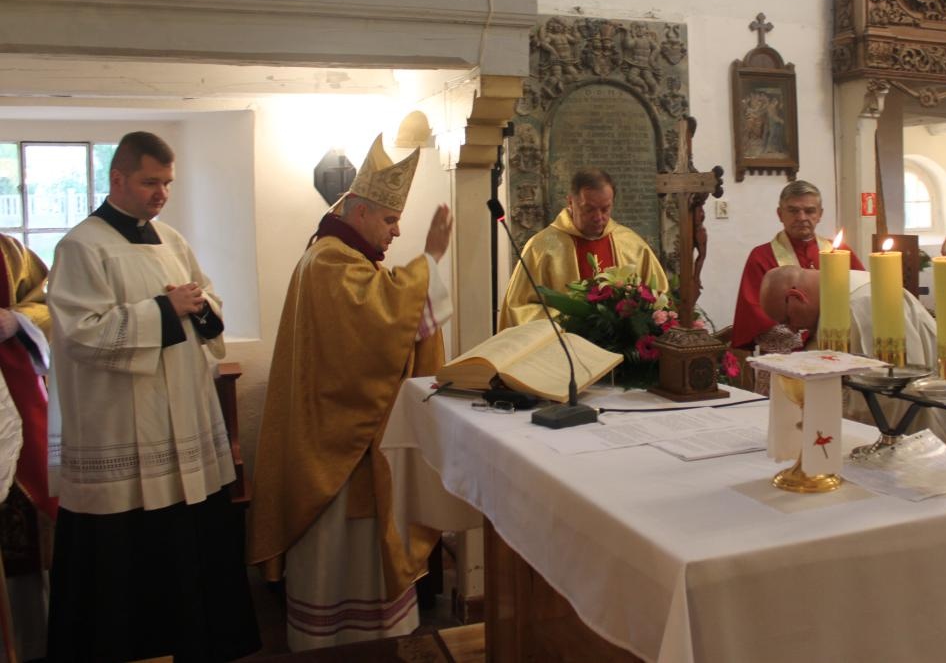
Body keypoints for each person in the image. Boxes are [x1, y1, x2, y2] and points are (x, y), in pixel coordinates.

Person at [46, 131, 259, 662]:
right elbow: (79, 333)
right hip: (121, 425)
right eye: (149, 182)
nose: (161, 193)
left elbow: (205, 296)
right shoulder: (81, 245)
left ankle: (200, 645)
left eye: (167, 183)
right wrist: (166, 310)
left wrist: (198, 306)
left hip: (183, 414)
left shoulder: (171, 240)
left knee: (191, 541)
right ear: (117, 178)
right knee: (128, 556)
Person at [248, 135, 454, 650]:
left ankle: (371, 645)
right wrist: (430, 258)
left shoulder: (344, 258)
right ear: (359, 211)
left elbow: (383, 318)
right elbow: (374, 331)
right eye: (390, 219)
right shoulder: (329, 262)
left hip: (349, 442)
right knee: (342, 568)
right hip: (335, 453)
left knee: (360, 565)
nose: (396, 231)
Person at [757, 266, 946, 465]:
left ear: (796, 296)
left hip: (932, 422)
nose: (793, 329)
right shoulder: (841, 292)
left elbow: (889, 390)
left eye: (787, 320)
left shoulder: (861, 305)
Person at [499, 168, 668, 329]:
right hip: (564, 346)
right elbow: (518, 309)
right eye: (589, 209)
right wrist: (572, 321)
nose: (598, 217)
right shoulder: (541, 248)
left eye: (605, 209)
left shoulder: (633, 246)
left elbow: (660, 300)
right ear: (570, 202)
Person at [0, 234, 54, 661]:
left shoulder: (9, 252)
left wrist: (17, 321)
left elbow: (50, 301)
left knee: (25, 518)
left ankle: (30, 643)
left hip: (14, 393)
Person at [731, 180, 864, 351]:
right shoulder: (761, 256)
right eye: (793, 211)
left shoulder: (840, 252)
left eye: (809, 211)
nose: (802, 218)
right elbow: (754, 313)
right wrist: (807, 339)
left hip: (842, 343)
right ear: (780, 214)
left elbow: (860, 295)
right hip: (790, 354)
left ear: (820, 214)